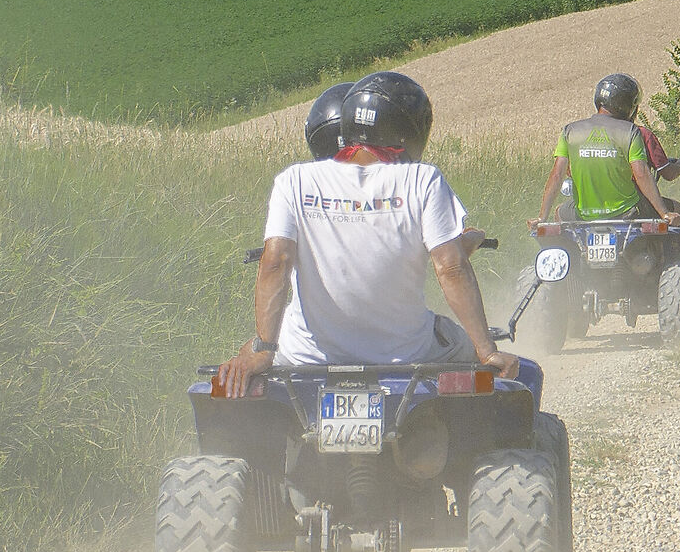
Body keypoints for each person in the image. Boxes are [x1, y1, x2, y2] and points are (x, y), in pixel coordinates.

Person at [216, 71, 517, 392]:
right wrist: (487, 351)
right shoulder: (422, 180)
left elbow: (275, 262)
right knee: (486, 365)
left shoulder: (293, 180)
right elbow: (451, 267)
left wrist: (263, 351)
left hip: (304, 355)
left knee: (247, 355)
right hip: (406, 355)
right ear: (410, 132)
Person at [539, 73, 680, 225]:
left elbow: (557, 175)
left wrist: (541, 218)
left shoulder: (570, 131)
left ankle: (569, 248)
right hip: (626, 211)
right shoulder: (631, 131)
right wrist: (664, 213)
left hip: (584, 213)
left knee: (560, 213)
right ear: (629, 106)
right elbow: (641, 173)